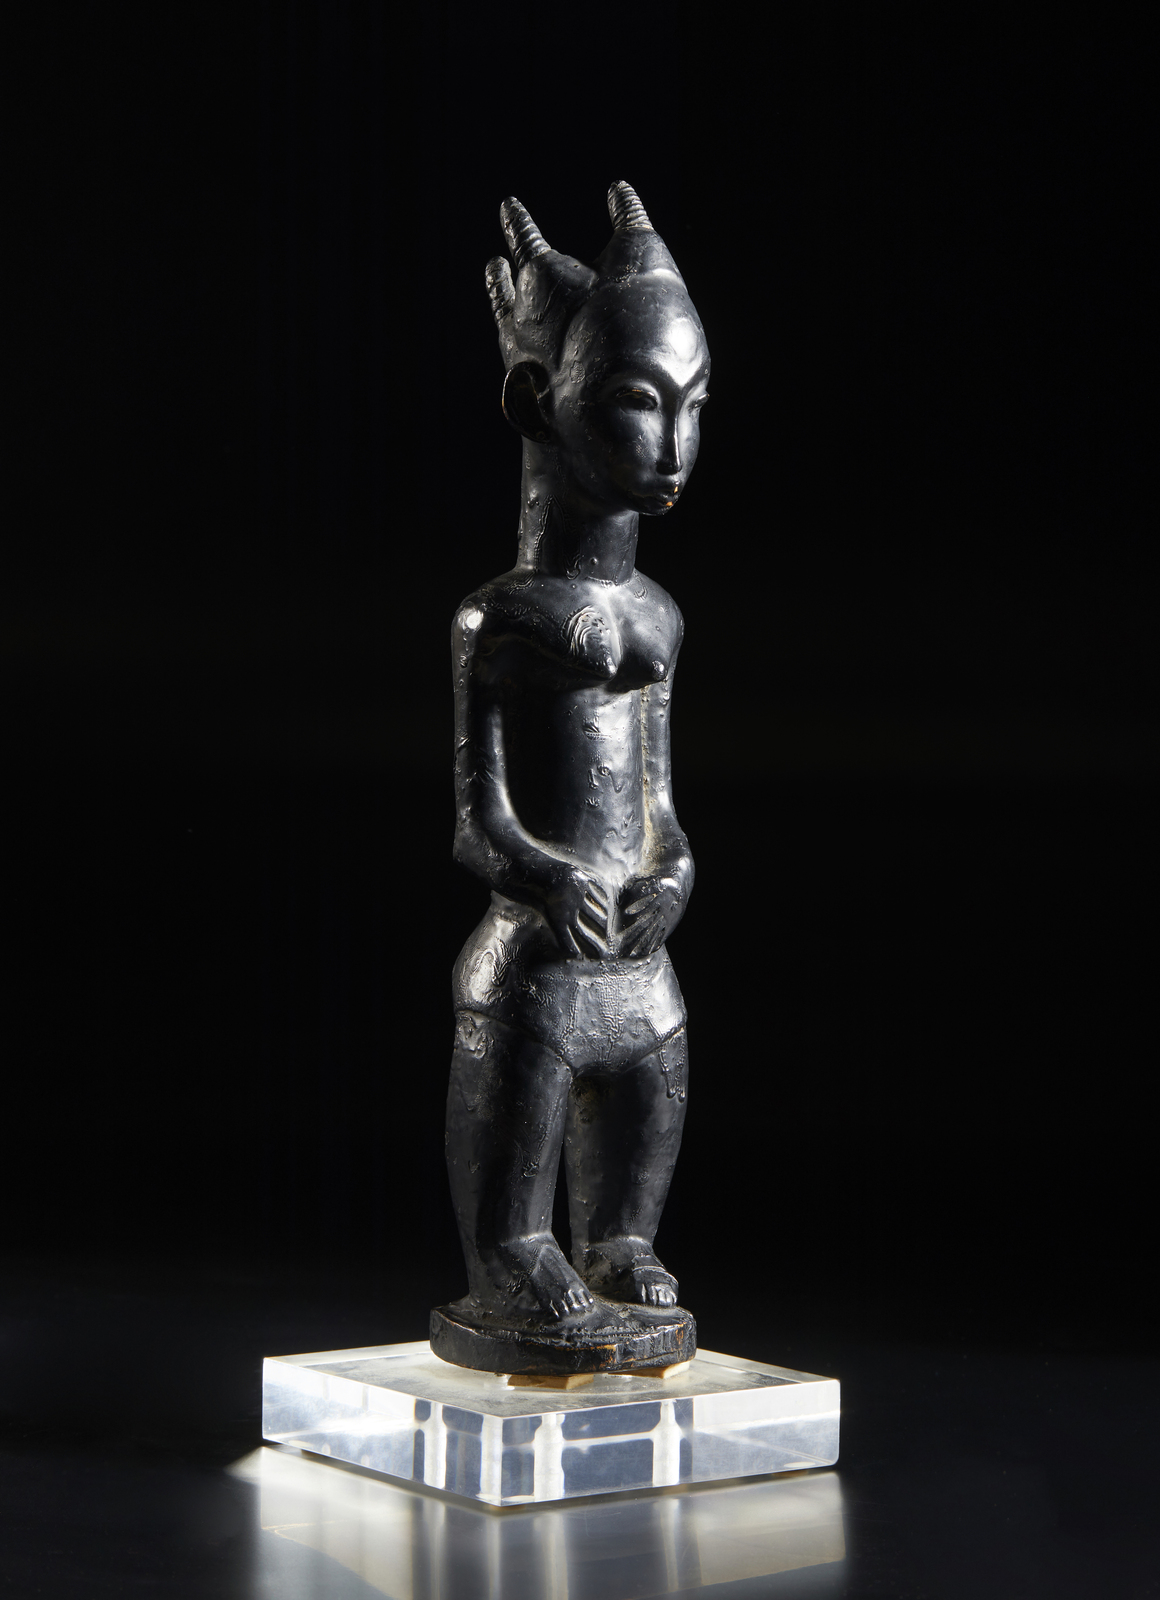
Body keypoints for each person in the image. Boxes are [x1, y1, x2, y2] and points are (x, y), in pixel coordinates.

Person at [442, 183, 710, 1350]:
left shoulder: (656, 616)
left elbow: (654, 798)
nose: (673, 447)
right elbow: (474, 822)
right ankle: (513, 1252)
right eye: (635, 404)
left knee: (657, 1064)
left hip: (635, 963)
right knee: (526, 1055)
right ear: (533, 404)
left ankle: (619, 1238)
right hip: (542, 959)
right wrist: (544, 876)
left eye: (692, 406)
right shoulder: (498, 621)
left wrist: (676, 868)